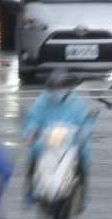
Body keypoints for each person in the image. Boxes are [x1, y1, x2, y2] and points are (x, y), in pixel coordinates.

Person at [20, 68, 93, 203]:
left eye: (62, 86)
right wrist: (31, 131)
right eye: (56, 86)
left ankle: (81, 189)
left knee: (83, 156)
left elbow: (86, 119)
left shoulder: (75, 101)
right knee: (33, 155)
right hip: (48, 141)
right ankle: (31, 188)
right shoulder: (43, 101)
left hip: (70, 141)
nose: (59, 89)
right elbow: (32, 118)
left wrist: (84, 131)